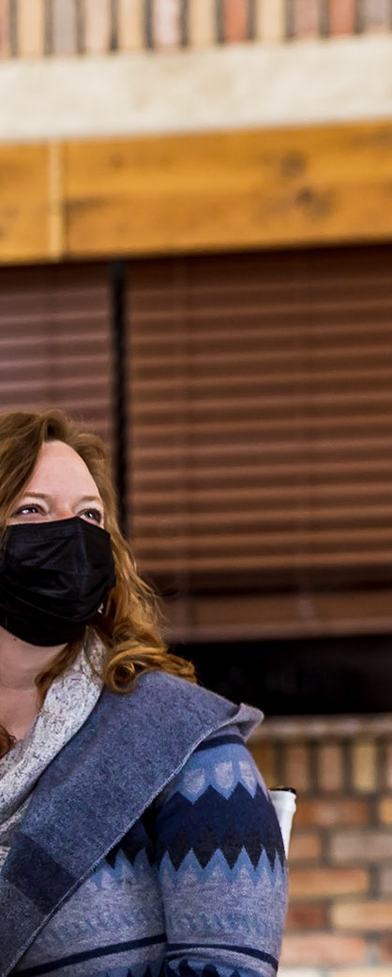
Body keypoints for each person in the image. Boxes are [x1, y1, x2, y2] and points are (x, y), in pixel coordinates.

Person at [0, 409, 287, 975]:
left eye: (90, 516)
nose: (73, 536)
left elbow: (228, 966)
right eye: (32, 510)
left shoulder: (185, 743)